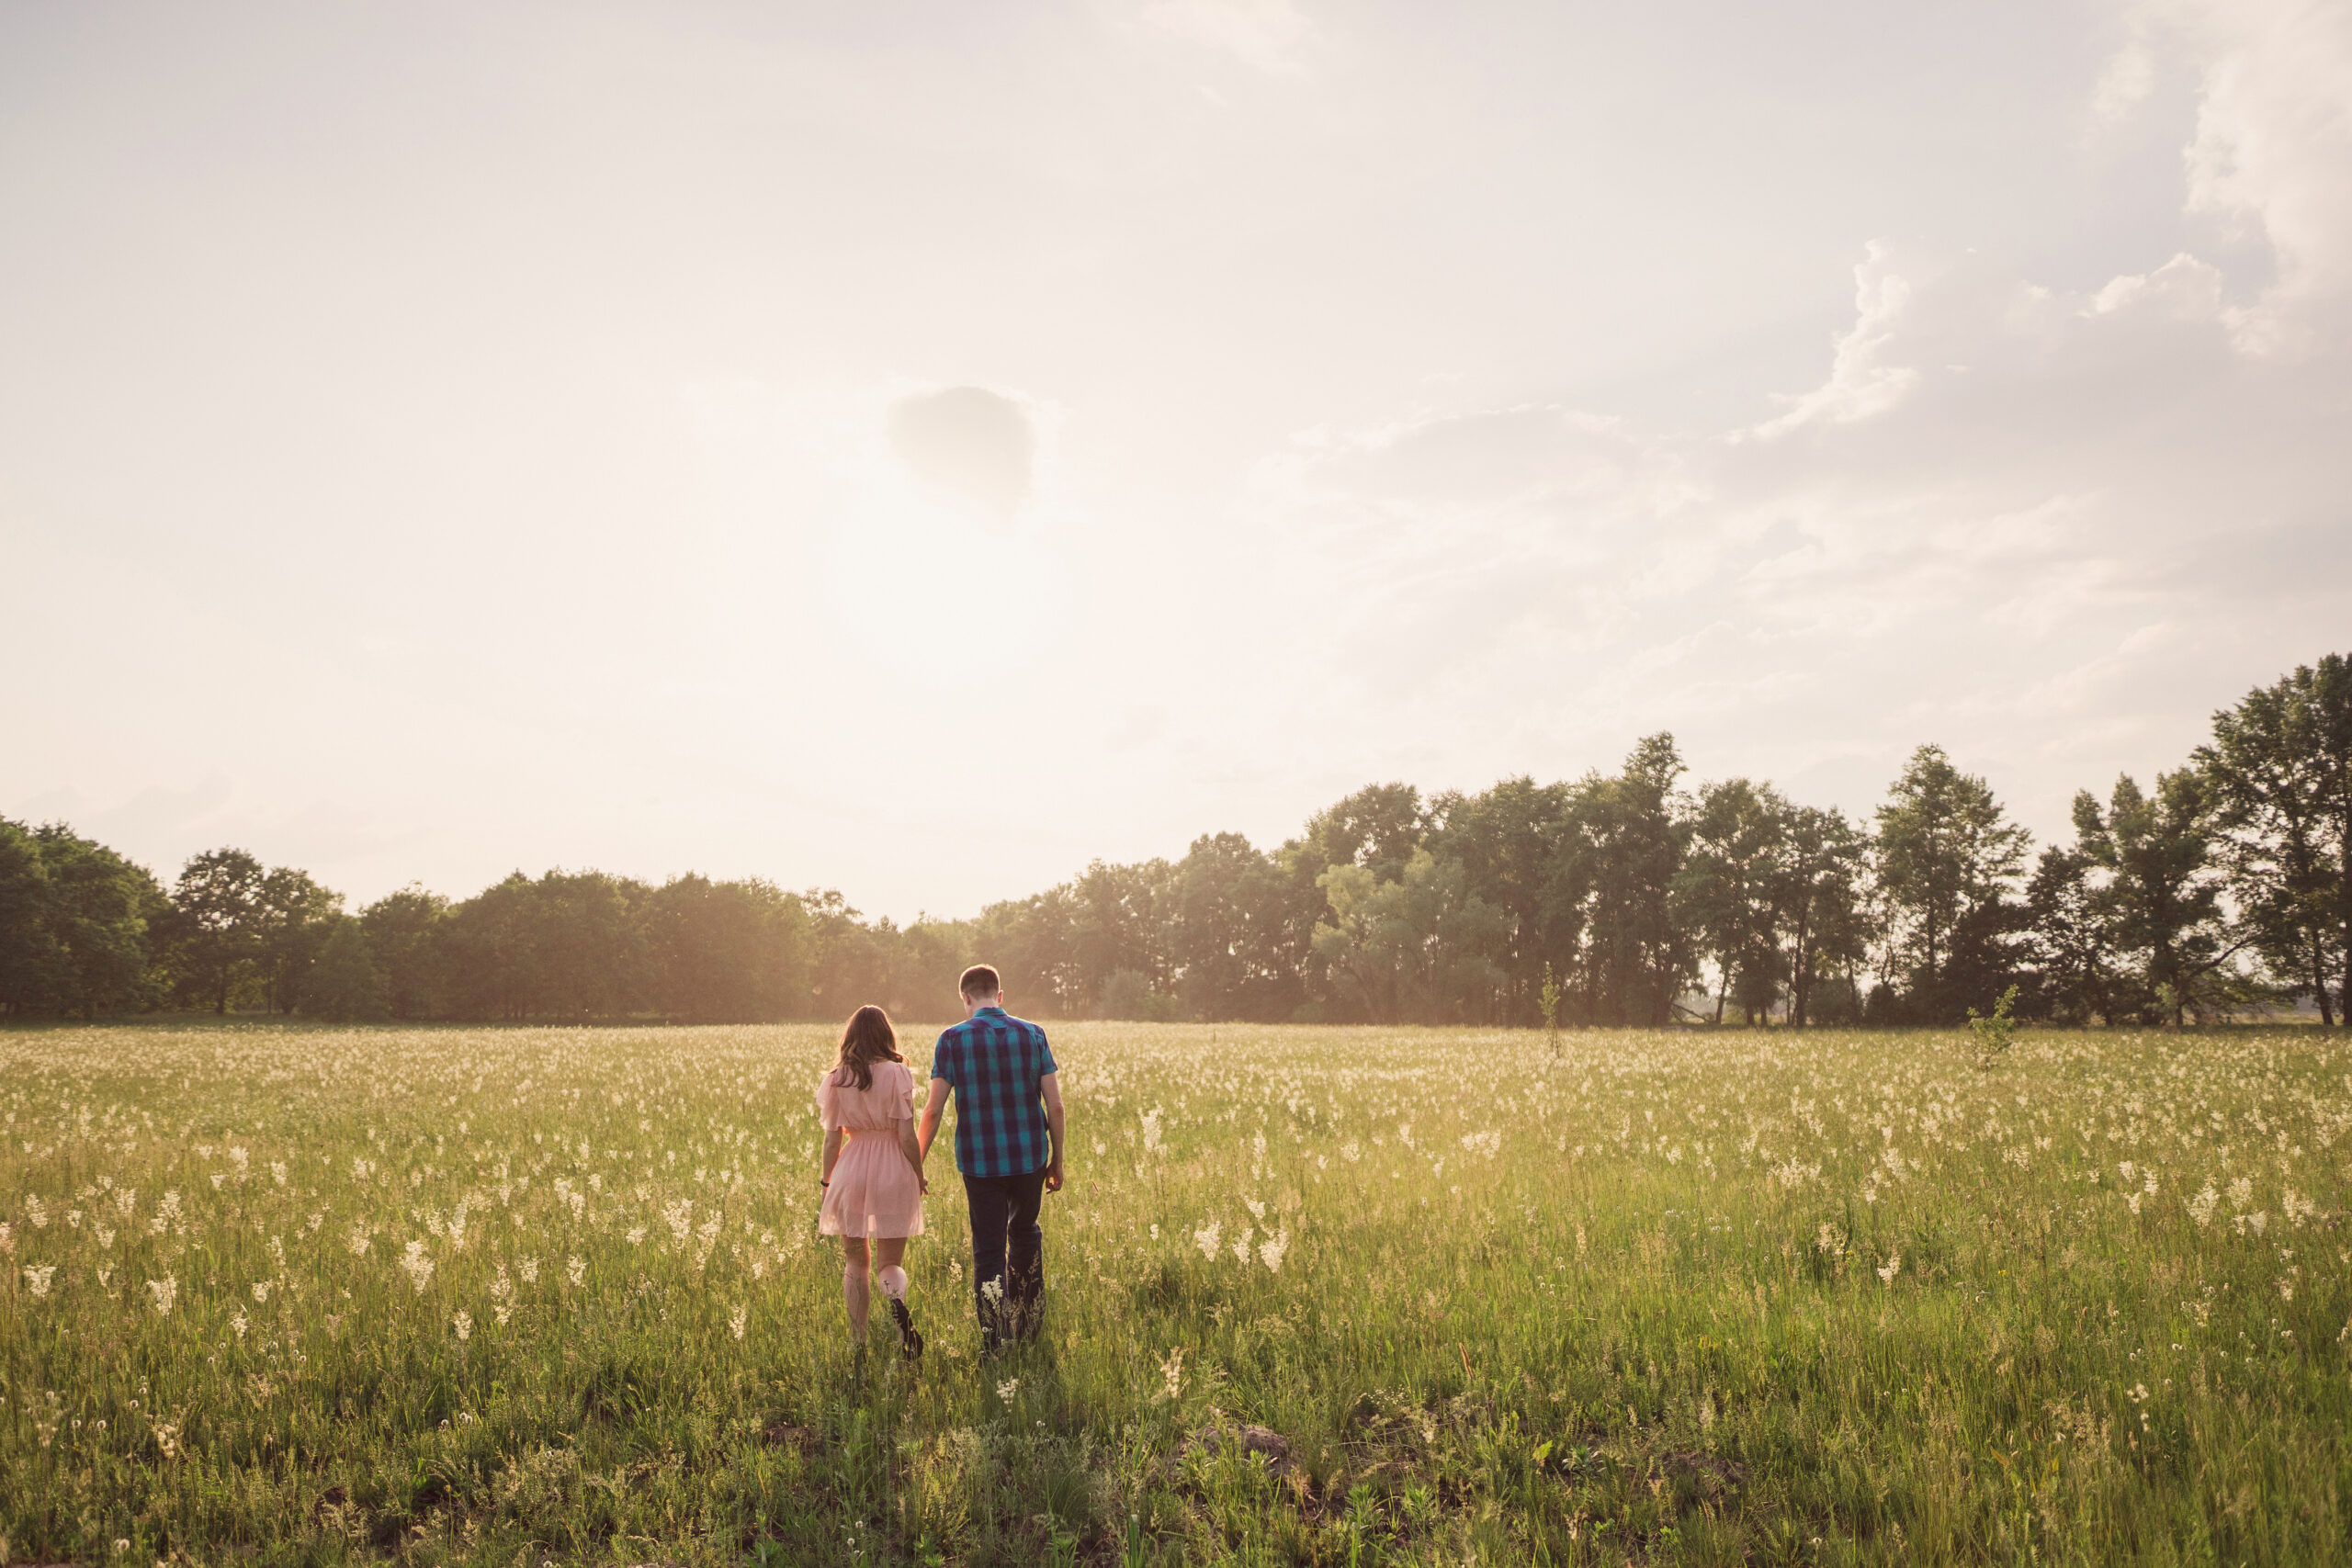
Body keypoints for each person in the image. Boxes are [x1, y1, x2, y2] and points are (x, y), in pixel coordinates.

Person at [918, 964, 1065, 1350]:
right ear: (1000, 996)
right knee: (1025, 1233)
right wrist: (1058, 1161)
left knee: (987, 1249)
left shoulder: (951, 1039)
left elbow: (932, 1111)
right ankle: (1029, 1327)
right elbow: (1056, 1106)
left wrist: (914, 1163)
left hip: (980, 1162)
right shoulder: (1033, 1034)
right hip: (1031, 1157)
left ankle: (994, 1340)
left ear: (965, 998)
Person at [816, 1004, 928, 1361]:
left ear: (850, 1037)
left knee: (855, 1262)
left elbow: (832, 1141)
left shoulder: (837, 1078)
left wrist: (826, 1182)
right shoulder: (898, 1073)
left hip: (852, 1169)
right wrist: (919, 1174)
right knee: (888, 1264)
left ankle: (858, 1342)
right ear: (886, 1035)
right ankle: (896, 1308)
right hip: (893, 1169)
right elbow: (907, 1135)